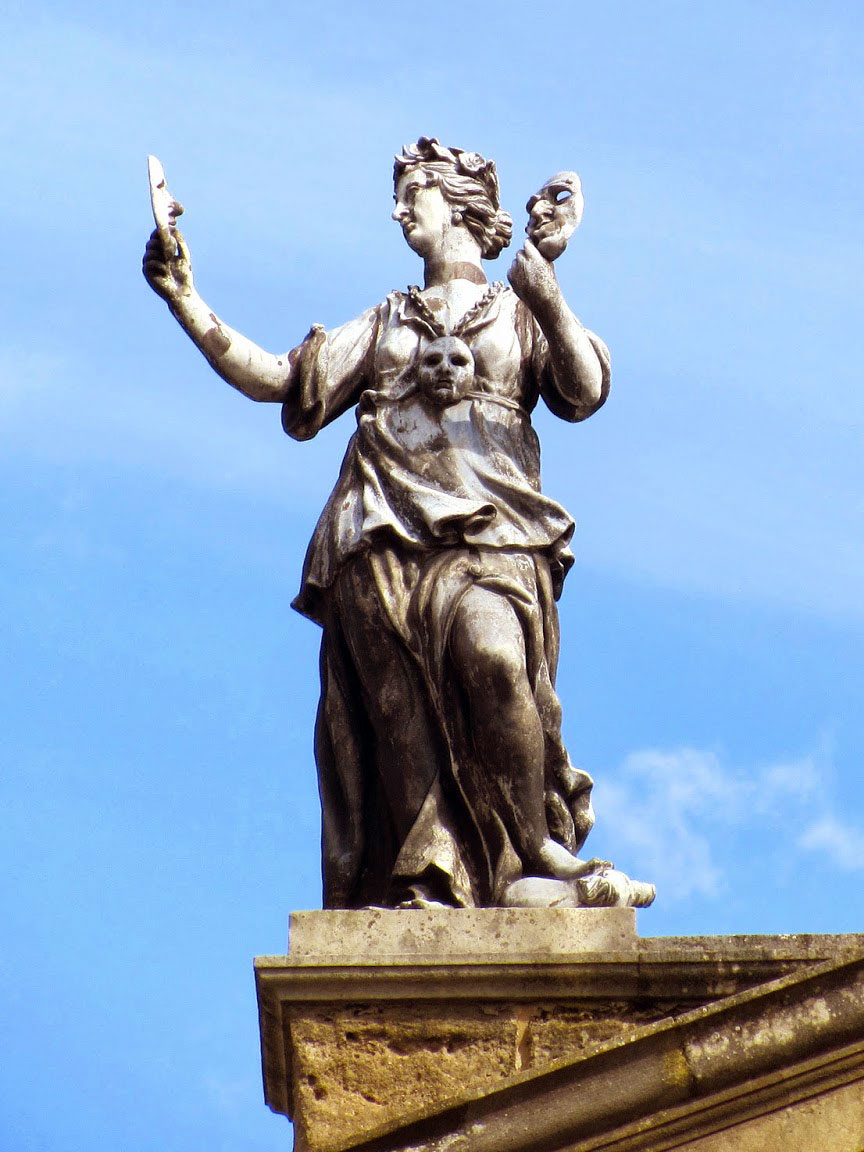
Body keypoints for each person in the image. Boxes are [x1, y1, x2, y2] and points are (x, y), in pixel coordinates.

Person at [143, 137, 613, 909]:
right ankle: (430, 882)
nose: (400, 208)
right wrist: (186, 300)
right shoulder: (388, 319)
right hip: (379, 537)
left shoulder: (518, 312)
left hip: (494, 533)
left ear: (459, 202)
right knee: (404, 732)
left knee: (495, 660)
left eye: (415, 191)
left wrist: (548, 290)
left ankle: (533, 851)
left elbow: (584, 390)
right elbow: (279, 379)